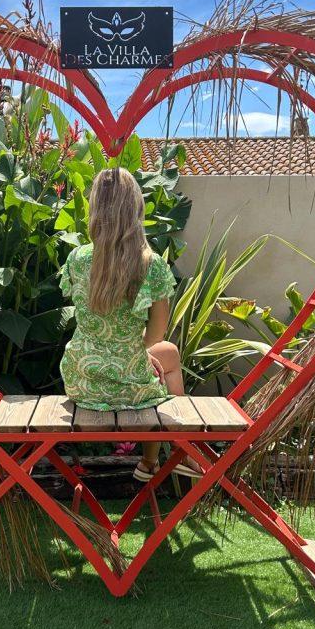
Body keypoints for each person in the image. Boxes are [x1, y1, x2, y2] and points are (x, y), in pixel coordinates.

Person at [59, 167, 201, 482]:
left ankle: (152, 464)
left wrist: (128, 349)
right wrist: (136, 351)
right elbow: (155, 336)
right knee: (170, 355)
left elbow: (92, 319)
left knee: (160, 357)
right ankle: (182, 451)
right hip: (127, 382)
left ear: (96, 209)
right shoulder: (151, 264)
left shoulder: (78, 258)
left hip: (81, 378)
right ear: (136, 209)